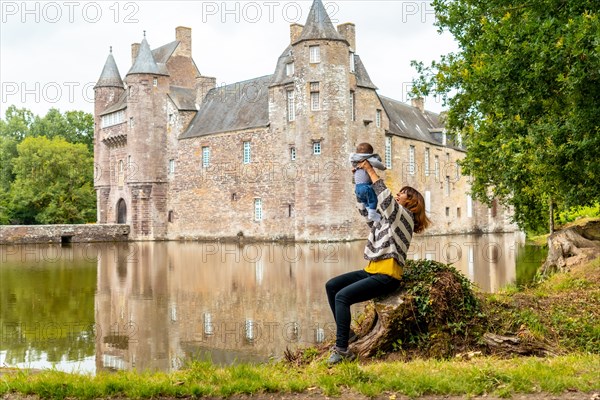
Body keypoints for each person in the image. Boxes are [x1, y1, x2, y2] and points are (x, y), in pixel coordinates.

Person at [325, 159, 431, 365]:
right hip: (372, 271)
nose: (398, 194)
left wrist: (370, 170)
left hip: (387, 276)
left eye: (403, 193)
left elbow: (385, 197)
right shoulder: (387, 219)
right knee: (332, 286)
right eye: (399, 192)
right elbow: (366, 211)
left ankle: (342, 349)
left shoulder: (404, 216)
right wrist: (358, 181)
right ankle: (348, 335)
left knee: (342, 297)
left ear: (411, 202)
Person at [349, 143, 386, 222]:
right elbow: (376, 163)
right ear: (369, 153)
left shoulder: (354, 161)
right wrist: (383, 167)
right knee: (373, 199)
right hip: (365, 187)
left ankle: (370, 212)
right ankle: (372, 214)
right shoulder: (367, 159)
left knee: (366, 201)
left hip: (357, 188)